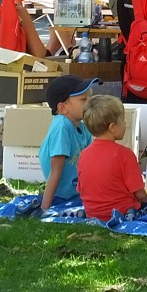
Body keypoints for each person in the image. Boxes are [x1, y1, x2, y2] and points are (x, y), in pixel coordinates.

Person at [78, 94, 147, 220]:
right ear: (112, 127)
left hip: (93, 213)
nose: (125, 124)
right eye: (123, 120)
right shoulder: (124, 154)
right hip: (123, 210)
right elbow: (140, 194)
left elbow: (82, 189)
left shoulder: (83, 155)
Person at [40, 75, 97, 210]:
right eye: (83, 99)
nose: (89, 103)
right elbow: (56, 169)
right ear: (63, 107)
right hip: (61, 198)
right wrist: (45, 208)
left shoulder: (83, 127)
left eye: (90, 97)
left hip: (77, 195)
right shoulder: (62, 126)